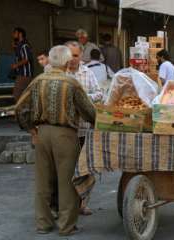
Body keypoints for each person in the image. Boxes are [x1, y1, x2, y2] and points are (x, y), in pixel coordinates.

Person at [15, 45, 96, 236]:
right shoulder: (72, 83)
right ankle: (66, 226)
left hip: (42, 134)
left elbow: (19, 108)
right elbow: (89, 112)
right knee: (68, 181)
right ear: (67, 63)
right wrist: (99, 123)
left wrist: (31, 130)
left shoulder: (38, 81)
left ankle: (43, 224)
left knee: (43, 181)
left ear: (50, 61)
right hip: (65, 135)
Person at [65, 41, 102, 216]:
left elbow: (99, 93)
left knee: (85, 168)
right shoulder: (59, 73)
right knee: (67, 169)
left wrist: (83, 98)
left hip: (84, 129)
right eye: (70, 55)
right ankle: (66, 204)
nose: (73, 59)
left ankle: (83, 203)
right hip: (66, 130)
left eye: (76, 55)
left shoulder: (87, 73)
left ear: (81, 56)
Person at [11, 27, 34, 101]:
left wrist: (16, 65)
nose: (13, 35)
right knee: (24, 96)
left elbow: (26, 59)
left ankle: (21, 111)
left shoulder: (24, 45)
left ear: (20, 34)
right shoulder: (20, 45)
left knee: (17, 94)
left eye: (15, 33)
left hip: (24, 75)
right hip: (22, 75)